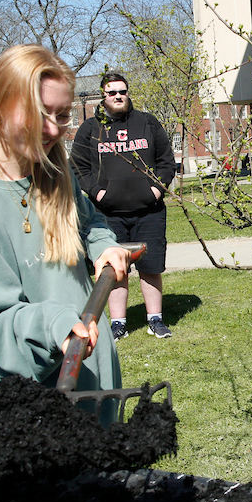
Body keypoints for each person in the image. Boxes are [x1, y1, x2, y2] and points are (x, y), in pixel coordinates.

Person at [0, 44, 130, 391]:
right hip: (29, 396)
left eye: (62, 114)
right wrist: (57, 325)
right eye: (39, 113)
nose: (53, 130)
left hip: (90, 373)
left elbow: (88, 221)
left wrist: (103, 245)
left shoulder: (53, 167)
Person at [71, 72, 177, 340]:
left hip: (149, 212)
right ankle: (118, 323)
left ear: (128, 93)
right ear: (103, 96)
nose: (118, 96)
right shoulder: (90, 129)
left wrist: (156, 188)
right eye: (111, 92)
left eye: (122, 91)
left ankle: (156, 320)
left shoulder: (147, 123)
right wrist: (98, 193)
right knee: (116, 270)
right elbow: (78, 167)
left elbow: (166, 159)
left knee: (151, 268)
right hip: (109, 215)